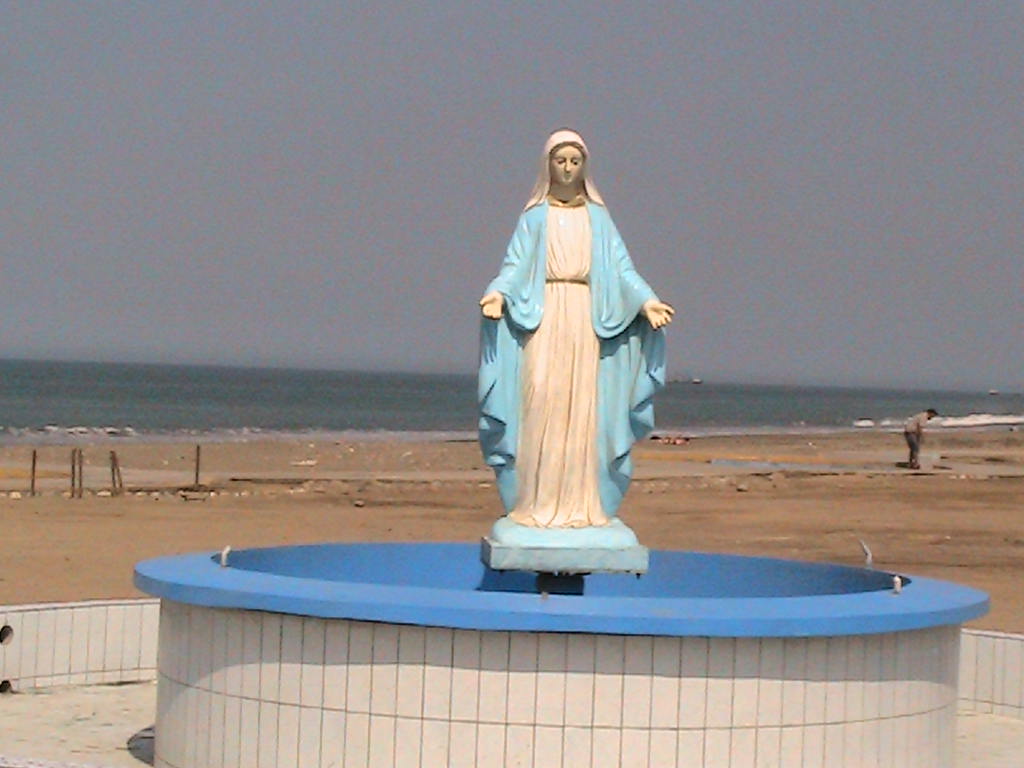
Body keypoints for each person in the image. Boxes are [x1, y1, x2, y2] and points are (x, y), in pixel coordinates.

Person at [478, 129, 673, 529]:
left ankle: (581, 503)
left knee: (582, 410)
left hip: (584, 320)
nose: (567, 169)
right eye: (560, 161)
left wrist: (647, 301)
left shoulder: (598, 219)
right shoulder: (535, 218)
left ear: (584, 166)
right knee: (540, 402)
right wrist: (497, 294)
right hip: (545, 319)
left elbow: (622, 270)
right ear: (547, 166)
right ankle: (535, 500)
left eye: (574, 161)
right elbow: (514, 267)